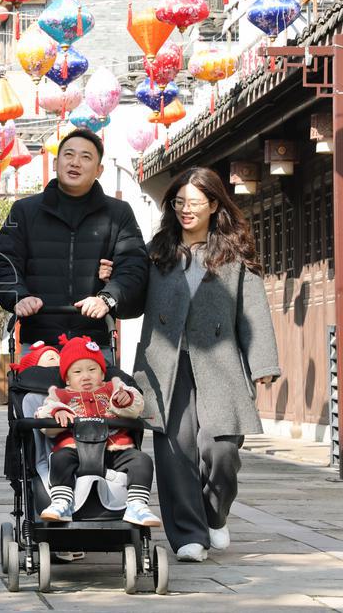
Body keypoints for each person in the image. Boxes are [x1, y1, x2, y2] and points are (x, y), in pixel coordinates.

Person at [131, 167, 280, 562]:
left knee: (222, 448)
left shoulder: (235, 252)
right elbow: (131, 302)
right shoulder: (156, 251)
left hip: (221, 363)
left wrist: (263, 362)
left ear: (214, 205)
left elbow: (253, 309)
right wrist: (112, 281)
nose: (186, 209)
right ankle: (187, 536)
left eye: (194, 202)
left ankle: (214, 514)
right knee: (175, 452)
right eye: (179, 202)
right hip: (166, 365)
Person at [0, 128, 149, 359]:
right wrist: (19, 297)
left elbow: (134, 266)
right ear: (56, 163)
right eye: (69, 155)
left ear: (99, 170)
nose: (75, 162)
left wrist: (107, 297)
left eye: (86, 157)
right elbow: (4, 263)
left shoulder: (119, 213)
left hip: (95, 345)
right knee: (34, 385)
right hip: (39, 345)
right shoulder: (24, 211)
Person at [35, 335, 161, 528]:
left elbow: (136, 406)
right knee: (59, 459)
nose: (86, 376)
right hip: (75, 451)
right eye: (77, 372)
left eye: (92, 370)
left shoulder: (114, 388)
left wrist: (125, 399)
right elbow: (42, 413)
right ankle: (61, 501)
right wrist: (57, 412)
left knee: (142, 460)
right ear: (67, 379)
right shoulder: (60, 395)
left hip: (115, 450)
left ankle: (137, 504)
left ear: (102, 374)